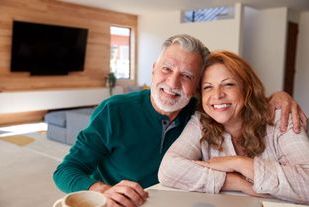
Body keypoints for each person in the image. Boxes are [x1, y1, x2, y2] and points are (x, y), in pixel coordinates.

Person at [53, 35, 307, 207]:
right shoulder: (114, 111)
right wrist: (102, 190)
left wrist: (279, 96)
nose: (173, 84)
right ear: (153, 69)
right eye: (166, 69)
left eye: (186, 75)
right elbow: (65, 170)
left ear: (196, 86)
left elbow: (236, 101)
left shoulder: (202, 112)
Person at [158, 50, 309, 204]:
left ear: (247, 89)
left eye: (228, 84)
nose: (217, 95)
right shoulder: (201, 122)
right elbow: (168, 170)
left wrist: (238, 163)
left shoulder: (281, 117)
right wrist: (237, 182)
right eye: (208, 87)